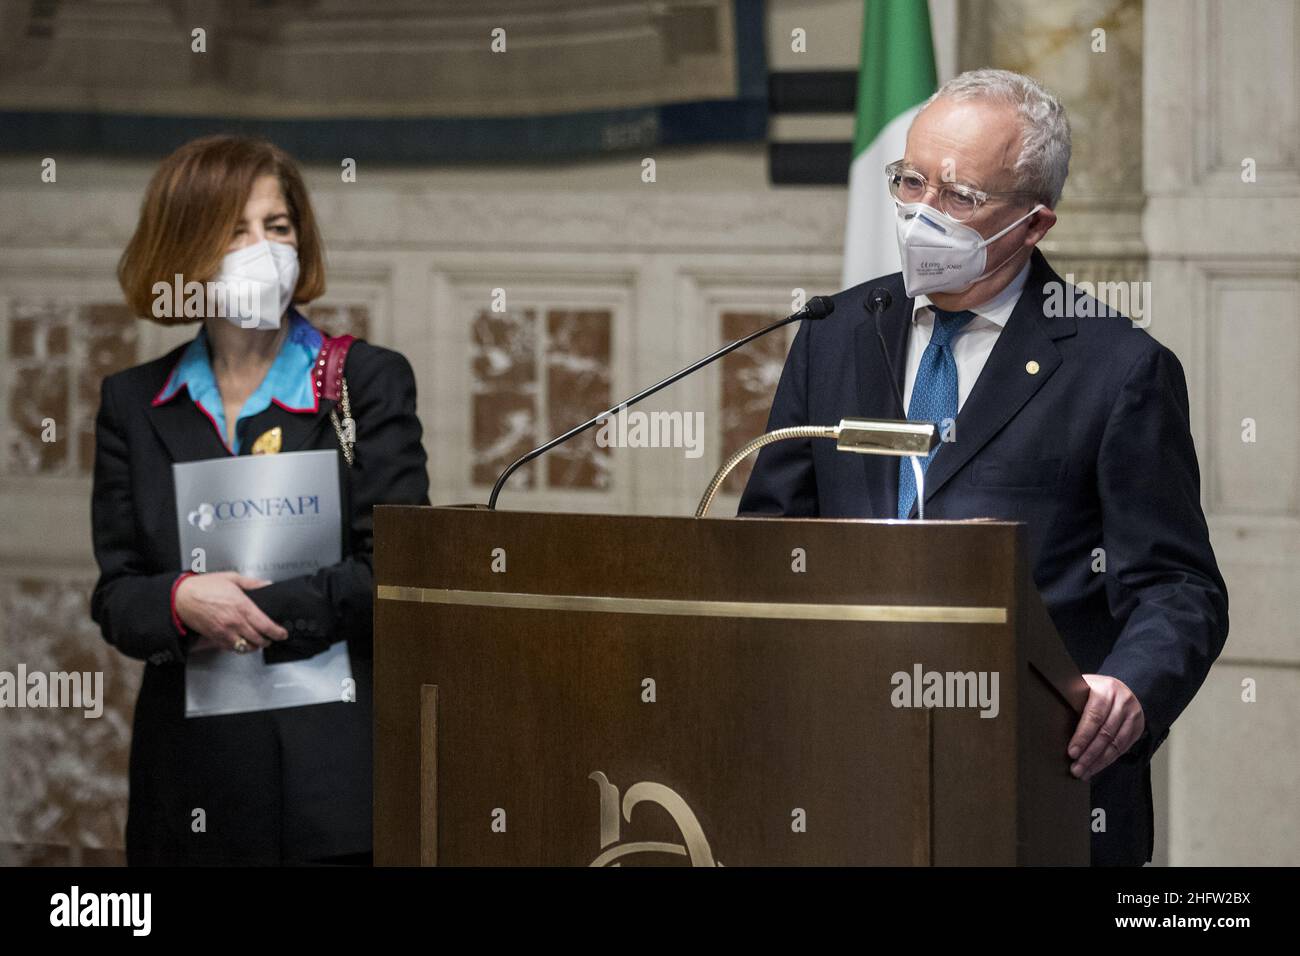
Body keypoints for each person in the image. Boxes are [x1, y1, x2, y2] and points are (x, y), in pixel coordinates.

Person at [739, 69, 1228, 866]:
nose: (922, 212)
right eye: (911, 181)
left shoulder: (1118, 369)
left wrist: (1129, 693)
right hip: (840, 767)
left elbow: (1180, 588)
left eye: (960, 197)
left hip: (1035, 779)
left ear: (1034, 225)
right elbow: (769, 536)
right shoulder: (833, 333)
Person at [90, 134, 430, 864]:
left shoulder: (362, 383)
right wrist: (180, 601)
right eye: (236, 230)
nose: (263, 248)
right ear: (184, 248)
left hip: (335, 779)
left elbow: (397, 576)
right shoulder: (134, 402)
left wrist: (246, 609)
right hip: (190, 781)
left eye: (278, 227)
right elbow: (117, 596)